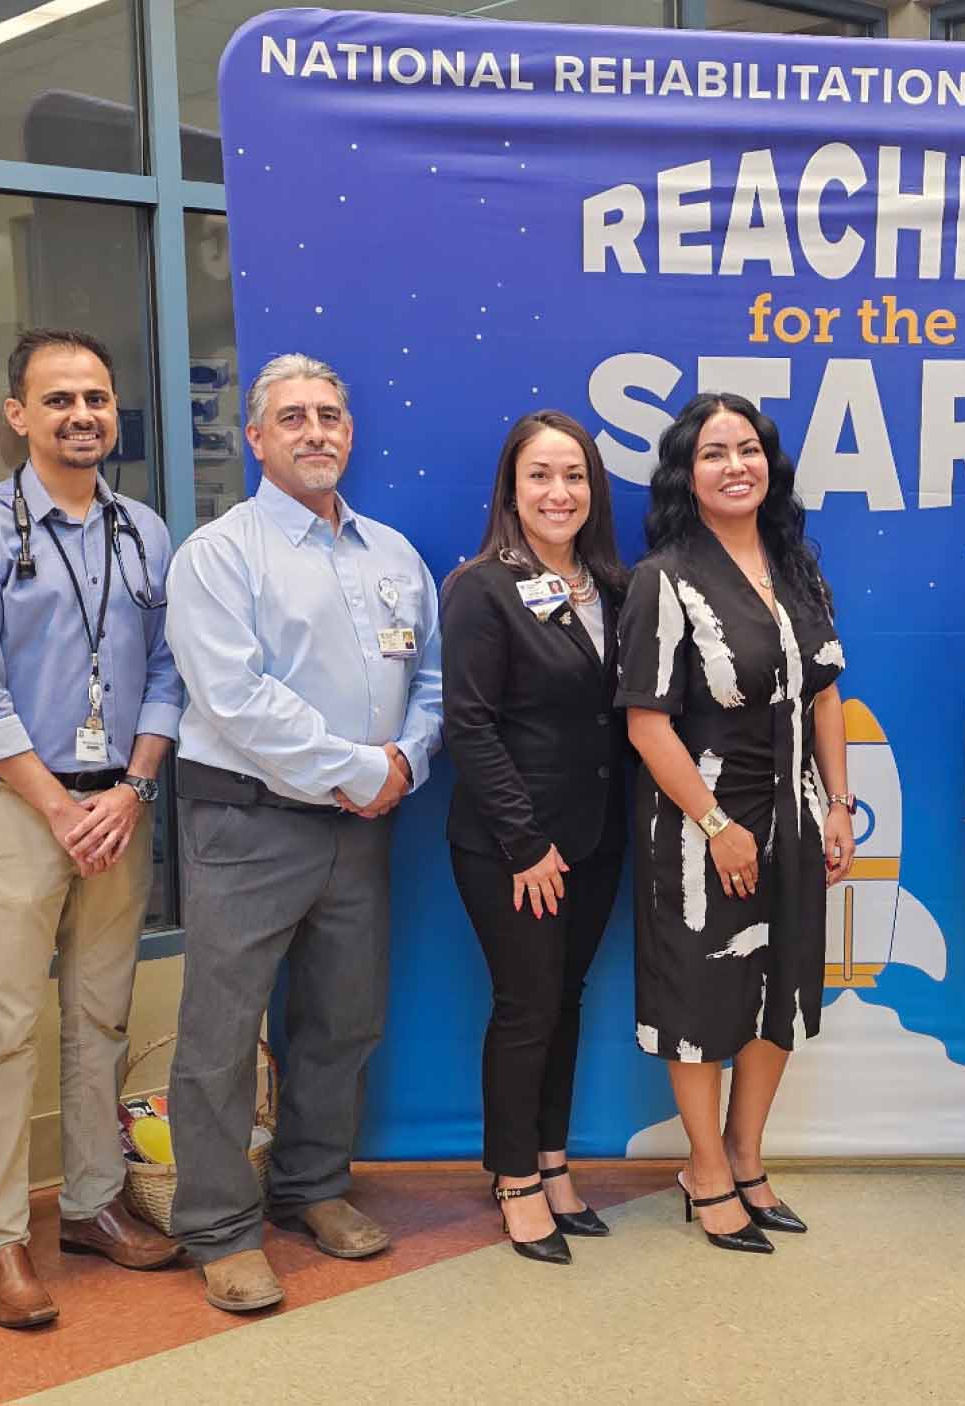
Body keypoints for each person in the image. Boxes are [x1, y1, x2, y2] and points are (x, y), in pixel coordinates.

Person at [162, 353, 442, 1312]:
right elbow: (234, 697)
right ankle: (218, 1227)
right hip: (248, 825)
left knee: (343, 1020)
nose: (315, 431)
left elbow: (432, 683)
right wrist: (365, 769)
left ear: (350, 432)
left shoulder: (394, 556)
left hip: (362, 832)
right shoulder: (220, 553)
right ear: (256, 438)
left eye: (329, 414)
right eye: (292, 418)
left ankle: (312, 1188)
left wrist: (408, 760)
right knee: (222, 1034)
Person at [0, 329, 184, 1327]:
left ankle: (88, 1205)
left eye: (98, 396)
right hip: (17, 808)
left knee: (101, 1018)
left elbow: (167, 672)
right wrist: (57, 804)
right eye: (60, 398)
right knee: (2, 1030)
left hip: (118, 807)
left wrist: (130, 786)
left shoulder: (143, 530)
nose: (84, 413)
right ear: (18, 416)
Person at [616, 391, 853, 1254]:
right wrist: (717, 823)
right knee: (703, 997)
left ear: (770, 464)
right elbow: (647, 725)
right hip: (698, 824)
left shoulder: (798, 566)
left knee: (782, 991)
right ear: (686, 472)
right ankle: (706, 1169)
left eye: (747, 449)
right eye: (714, 453)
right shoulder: (663, 579)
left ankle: (750, 1162)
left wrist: (839, 804)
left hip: (794, 814)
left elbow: (826, 691)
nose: (735, 466)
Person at [441, 411, 630, 1265]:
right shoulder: (483, 588)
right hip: (513, 848)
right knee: (526, 1008)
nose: (560, 493)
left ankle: (554, 1162)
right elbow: (470, 727)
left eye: (575, 476)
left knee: (568, 1000)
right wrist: (523, 842)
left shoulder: (612, 588)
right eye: (541, 476)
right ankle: (514, 1177)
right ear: (511, 491)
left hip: (596, 838)